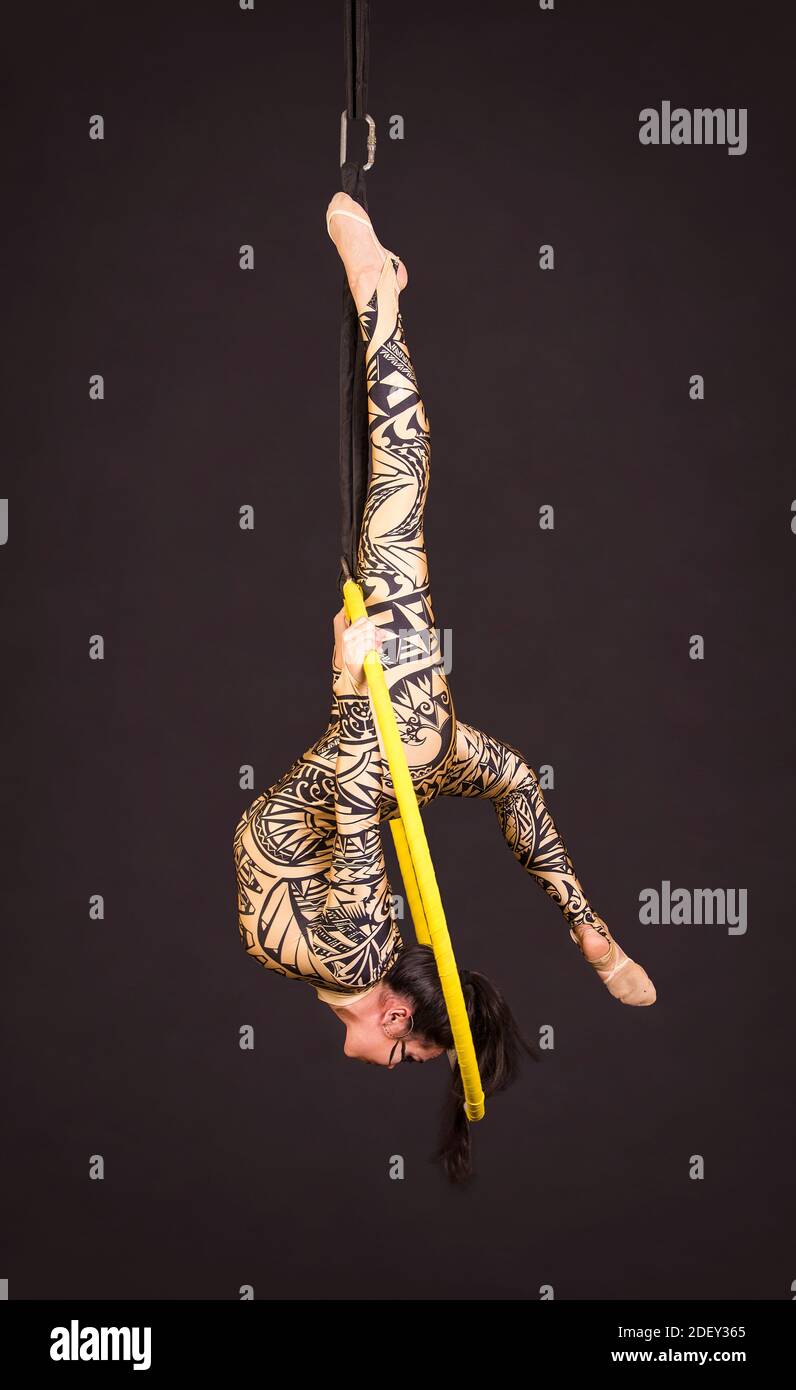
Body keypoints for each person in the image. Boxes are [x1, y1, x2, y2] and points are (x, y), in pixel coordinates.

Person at [233, 192, 656, 1182]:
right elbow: (350, 790)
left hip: (394, 754)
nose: (400, 1061)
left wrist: (352, 697)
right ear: (397, 1014)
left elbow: (348, 810)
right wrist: (352, 682)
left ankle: (591, 930)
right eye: (416, 1051)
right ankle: (376, 288)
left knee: (506, 774)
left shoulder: (339, 961)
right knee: (402, 476)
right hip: (391, 740)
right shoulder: (348, 962)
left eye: (419, 1056)